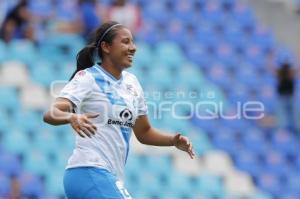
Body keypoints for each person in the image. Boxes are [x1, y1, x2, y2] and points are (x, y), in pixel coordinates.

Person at [43, 21, 195, 199]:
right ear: (106, 47)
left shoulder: (132, 83)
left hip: (108, 176)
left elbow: (144, 132)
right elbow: (50, 113)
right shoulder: (88, 77)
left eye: (133, 42)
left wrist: (173, 141)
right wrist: (71, 117)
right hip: (88, 170)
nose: (133, 48)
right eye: (126, 42)